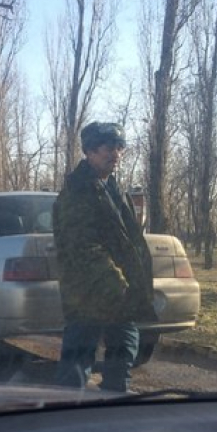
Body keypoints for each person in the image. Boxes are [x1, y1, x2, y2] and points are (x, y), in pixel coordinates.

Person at [52, 122, 156, 392]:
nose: (116, 154)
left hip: (118, 292)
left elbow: (129, 242)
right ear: (89, 151)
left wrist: (133, 282)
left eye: (120, 148)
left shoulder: (113, 190)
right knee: (77, 363)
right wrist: (118, 283)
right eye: (109, 147)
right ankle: (67, 418)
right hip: (87, 294)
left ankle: (114, 402)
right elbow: (83, 247)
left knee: (124, 351)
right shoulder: (76, 192)